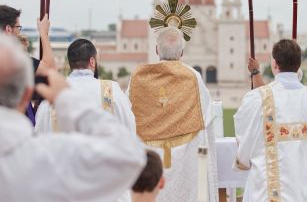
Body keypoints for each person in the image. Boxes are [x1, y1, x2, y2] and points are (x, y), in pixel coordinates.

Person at [0, 33, 145, 202]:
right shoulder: (109, 92)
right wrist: (66, 100)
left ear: (69, 64)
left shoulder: (48, 104)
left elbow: (41, 131)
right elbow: (130, 140)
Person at [234, 39, 307, 202]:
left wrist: (244, 158)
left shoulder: (257, 98)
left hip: (268, 193)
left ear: (274, 64)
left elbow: (244, 141)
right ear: (299, 64)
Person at [128, 27, 218, 202]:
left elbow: (127, 118)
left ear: (156, 50)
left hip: (149, 163)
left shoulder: (138, 78)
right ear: (182, 52)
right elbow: (207, 118)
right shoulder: (193, 78)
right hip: (186, 163)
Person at [35, 38, 136, 134]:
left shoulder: (54, 94)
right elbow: (129, 127)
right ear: (92, 61)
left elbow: (40, 134)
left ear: (70, 63)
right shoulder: (111, 90)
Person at [0, 4, 56, 125]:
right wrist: (44, 33)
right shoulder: (14, 59)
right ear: (9, 29)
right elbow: (50, 69)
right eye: (18, 28)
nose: (19, 33)